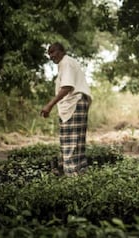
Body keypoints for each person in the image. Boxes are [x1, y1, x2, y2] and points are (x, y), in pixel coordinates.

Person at [41, 42, 92, 176]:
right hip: (77, 103)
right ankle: (80, 175)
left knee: (70, 143)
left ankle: (72, 177)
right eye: (49, 54)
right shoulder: (67, 63)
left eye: (53, 52)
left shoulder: (66, 63)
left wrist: (49, 105)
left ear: (61, 51)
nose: (51, 56)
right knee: (76, 143)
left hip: (74, 103)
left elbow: (67, 87)